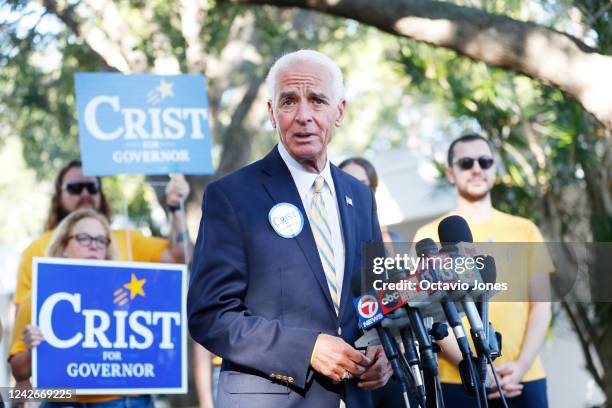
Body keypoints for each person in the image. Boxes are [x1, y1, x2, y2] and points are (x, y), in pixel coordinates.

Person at [187, 49, 392, 408]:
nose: (303, 116)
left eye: (317, 100)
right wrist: (306, 349)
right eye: (288, 101)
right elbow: (210, 315)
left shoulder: (361, 198)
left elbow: (373, 301)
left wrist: (383, 352)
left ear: (339, 111)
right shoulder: (231, 196)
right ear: (271, 113)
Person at [412, 133, 553, 407]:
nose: (477, 168)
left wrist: (522, 365)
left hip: (524, 378)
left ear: (494, 169)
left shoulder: (525, 229)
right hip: (458, 383)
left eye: (485, 161)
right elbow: (428, 317)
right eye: (466, 163)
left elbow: (542, 305)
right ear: (450, 173)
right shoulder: (427, 237)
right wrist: (474, 367)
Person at [8, 209, 155, 407]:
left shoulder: (127, 297)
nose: (94, 246)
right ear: (64, 246)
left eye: (101, 240)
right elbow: (20, 373)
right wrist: (33, 349)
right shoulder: (38, 298)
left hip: (122, 400)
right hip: (61, 399)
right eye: (84, 238)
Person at [13, 159, 192, 313]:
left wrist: (176, 208)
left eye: (92, 187)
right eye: (75, 188)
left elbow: (181, 257)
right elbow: (22, 325)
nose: (85, 194)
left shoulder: (130, 240)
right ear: (59, 195)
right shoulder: (34, 251)